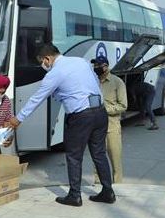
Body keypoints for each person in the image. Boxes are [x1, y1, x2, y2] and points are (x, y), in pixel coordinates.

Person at [7, 44, 116, 207]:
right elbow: (96, 83)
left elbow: (37, 98)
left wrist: (18, 119)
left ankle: (74, 195)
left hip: (81, 117)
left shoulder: (55, 73)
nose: (43, 66)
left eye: (42, 63)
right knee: (99, 153)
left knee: (74, 155)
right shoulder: (81, 62)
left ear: (47, 59)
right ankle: (108, 192)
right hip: (100, 112)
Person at [91, 55, 128, 183]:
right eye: (94, 66)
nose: (96, 68)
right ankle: (98, 184)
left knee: (115, 160)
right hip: (96, 127)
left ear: (106, 66)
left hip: (112, 127)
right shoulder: (93, 81)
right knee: (97, 159)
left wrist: (105, 109)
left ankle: (117, 185)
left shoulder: (117, 82)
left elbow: (123, 105)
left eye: (98, 66)